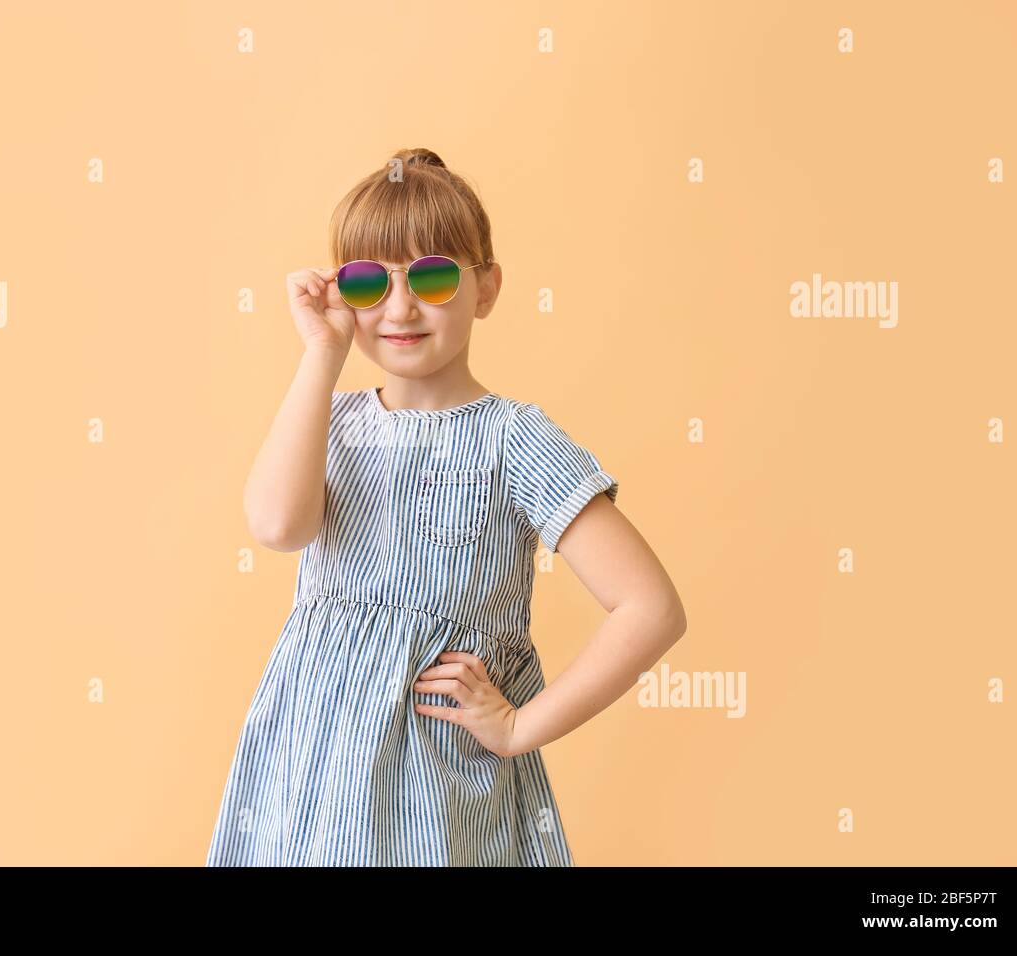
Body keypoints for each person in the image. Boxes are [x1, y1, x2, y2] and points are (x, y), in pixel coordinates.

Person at [206, 147, 687, 866]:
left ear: (485, 288)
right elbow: (278, 526)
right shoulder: (328, 420)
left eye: (431, 276)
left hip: (440, 791)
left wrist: (521, 728)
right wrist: (321, 354)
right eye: (369, 282)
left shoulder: (514, 439)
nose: (399, 307)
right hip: (306, 780)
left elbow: (651, 609)